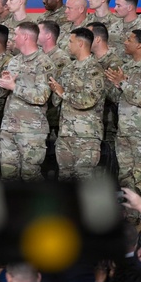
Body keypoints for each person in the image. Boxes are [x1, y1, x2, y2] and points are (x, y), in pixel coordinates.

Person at [105, 30, 141, 207]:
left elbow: (140, 98)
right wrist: (114, 84)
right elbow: (117, 98)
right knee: (126, 177)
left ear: (139, 45)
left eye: (129, 39)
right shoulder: (127, 67)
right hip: (124, 131)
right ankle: (131, 219)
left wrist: (122, 82)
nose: (124, 42)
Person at [0, 22, 55, 180]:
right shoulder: (14, 61)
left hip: (31, 131)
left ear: (26, 37)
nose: (13, 38)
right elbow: (5, 93)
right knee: (8, 176)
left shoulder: (44, 63)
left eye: (16, 34)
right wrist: (4, 84)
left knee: (31, 177)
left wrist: (14, 86)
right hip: (9, 127)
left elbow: (42, 96)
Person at [49, 28, 108, 180]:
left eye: (70, 41)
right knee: (65, 180)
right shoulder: (69, 68)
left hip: (86, 136)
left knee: (84, 181)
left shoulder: (94, 70)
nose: (68, 45)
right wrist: (54, 89)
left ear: (80, 43)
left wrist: (63, 93)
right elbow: (57, 99)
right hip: (65, 133)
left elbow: (88, 100)